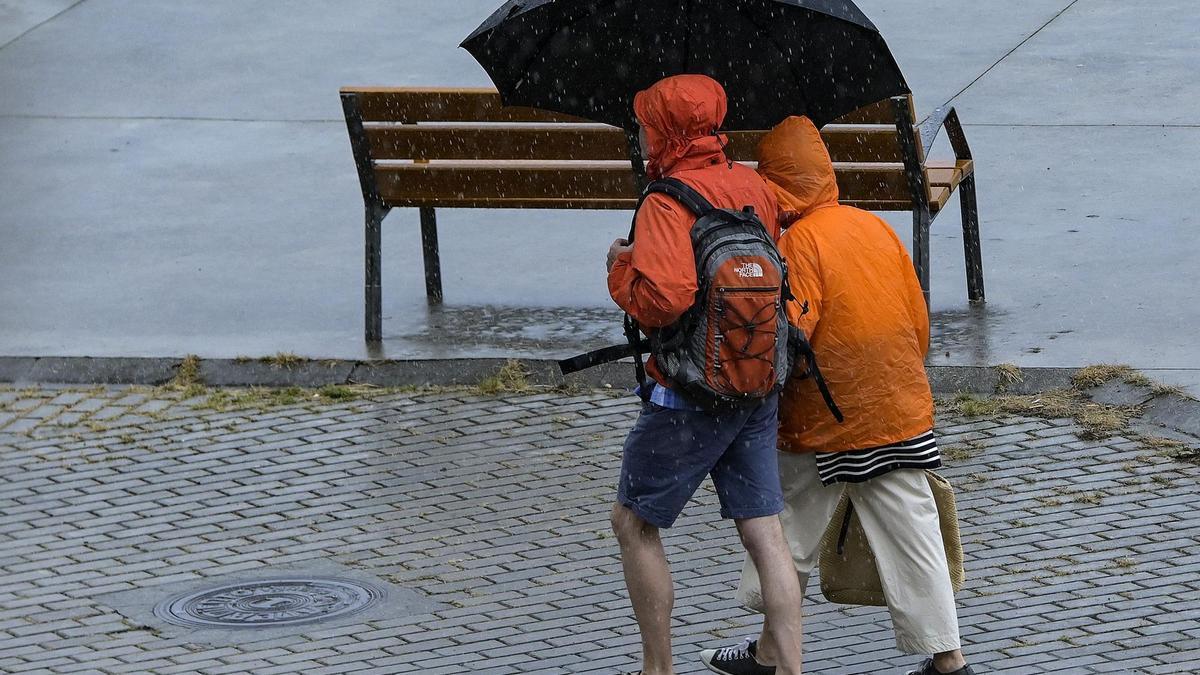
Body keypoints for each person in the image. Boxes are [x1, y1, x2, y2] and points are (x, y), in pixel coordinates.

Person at [698, 116, 976, 675]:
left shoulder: (796, 242)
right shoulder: (873, 228)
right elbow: (917, 323)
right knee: (913, 536)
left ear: (775, 182)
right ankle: (949, 661)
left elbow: (793, 333)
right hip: (897, 410)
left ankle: (771, 650)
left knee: (783, 531)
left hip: (825, 419)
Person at [606, 75, 807, 675]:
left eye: (646, 124)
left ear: (662, 130)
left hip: (687, 396)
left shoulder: (666, 201)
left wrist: (620, 270)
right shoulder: (755, 187)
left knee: (633, 522)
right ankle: (791, 669)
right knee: (764, 530)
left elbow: (663, 300)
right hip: (756, 382)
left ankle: (657, 668)